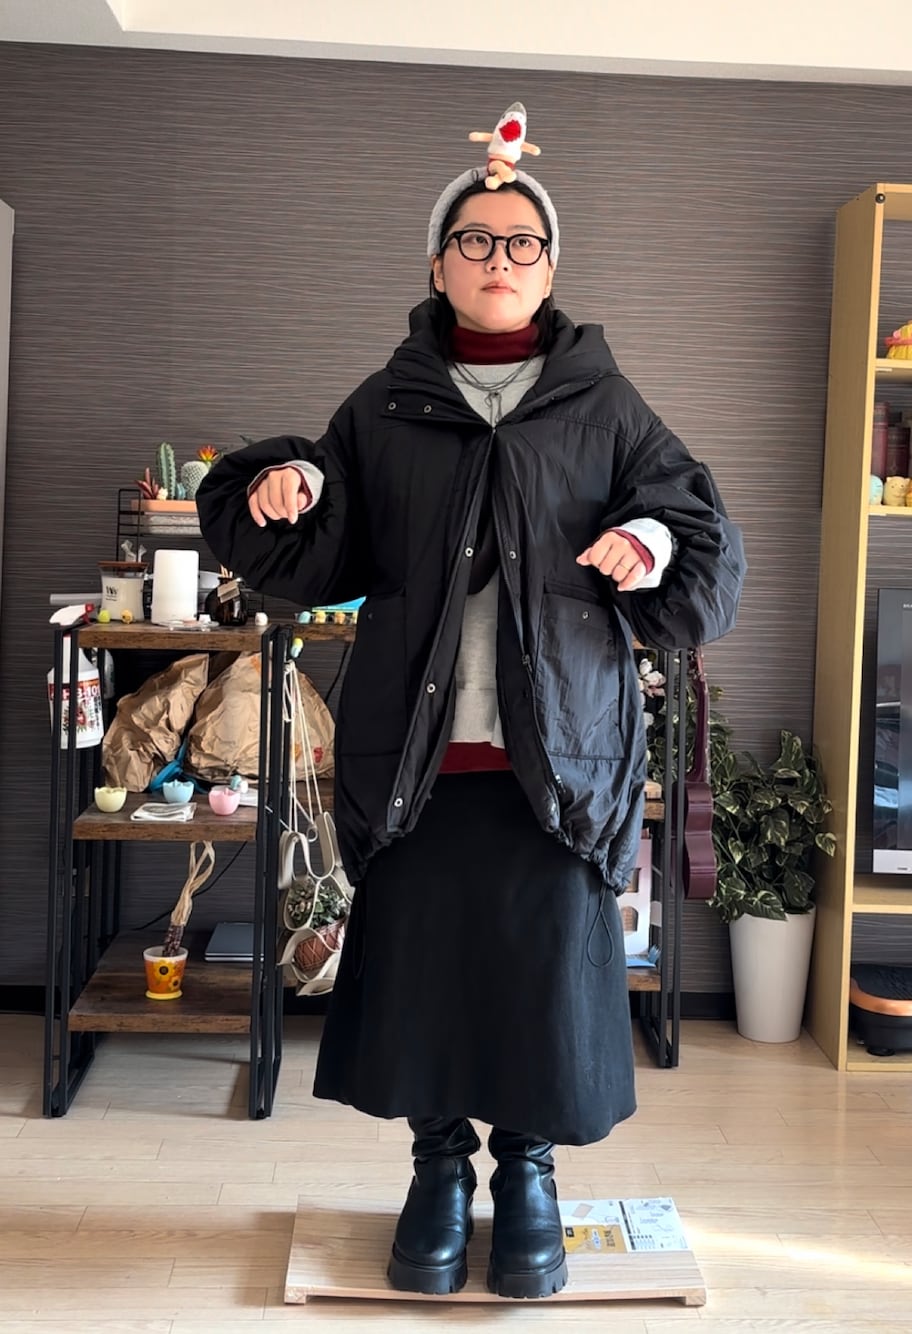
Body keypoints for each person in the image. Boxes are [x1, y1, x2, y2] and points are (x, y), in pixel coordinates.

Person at [196, 102, 745, 1301]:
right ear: (438, 263)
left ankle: (528, 1174)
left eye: (521, 242)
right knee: (428, 974)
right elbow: (323, 537)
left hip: (560, 756)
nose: (500, 258)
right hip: (418, 754)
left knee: (543, 980)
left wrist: (650, 539)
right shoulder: (387, 403)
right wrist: (291, 486)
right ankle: (438, 1168)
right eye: (476, 239)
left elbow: (695, 527)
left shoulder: (605, 403)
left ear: (550, 267)